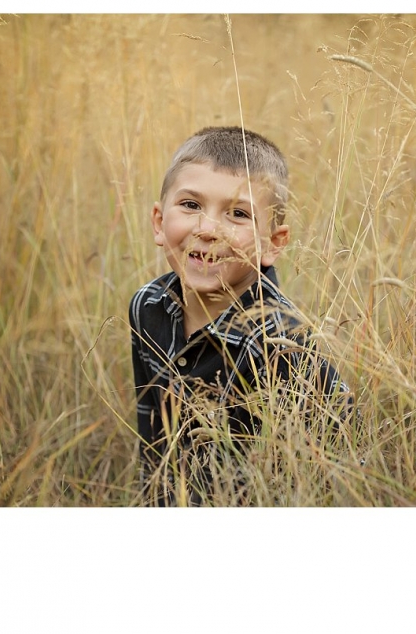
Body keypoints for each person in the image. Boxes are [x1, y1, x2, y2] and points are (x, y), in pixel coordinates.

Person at [129, 126, 351, 505]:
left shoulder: (284, 345)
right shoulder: (147, 307)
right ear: (158, 222)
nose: (207, 229)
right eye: (191, 205)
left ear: (272, 243)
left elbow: (338, 464)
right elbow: (152, 427)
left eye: (237, 213)